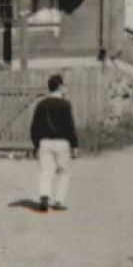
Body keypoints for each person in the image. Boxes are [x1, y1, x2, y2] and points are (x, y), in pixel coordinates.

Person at [30, 73, 79, 212]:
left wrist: (36, 144)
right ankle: (59, 200)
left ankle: (44, 195)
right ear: (59, 87)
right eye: (64, 85)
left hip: (45, 142)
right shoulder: (66, 104)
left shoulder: (41, 104)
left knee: (46, 171)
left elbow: (34, 127)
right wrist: (75, 145)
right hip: (62, 142)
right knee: (64, 171)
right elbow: (70, 126)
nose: (65, 88)